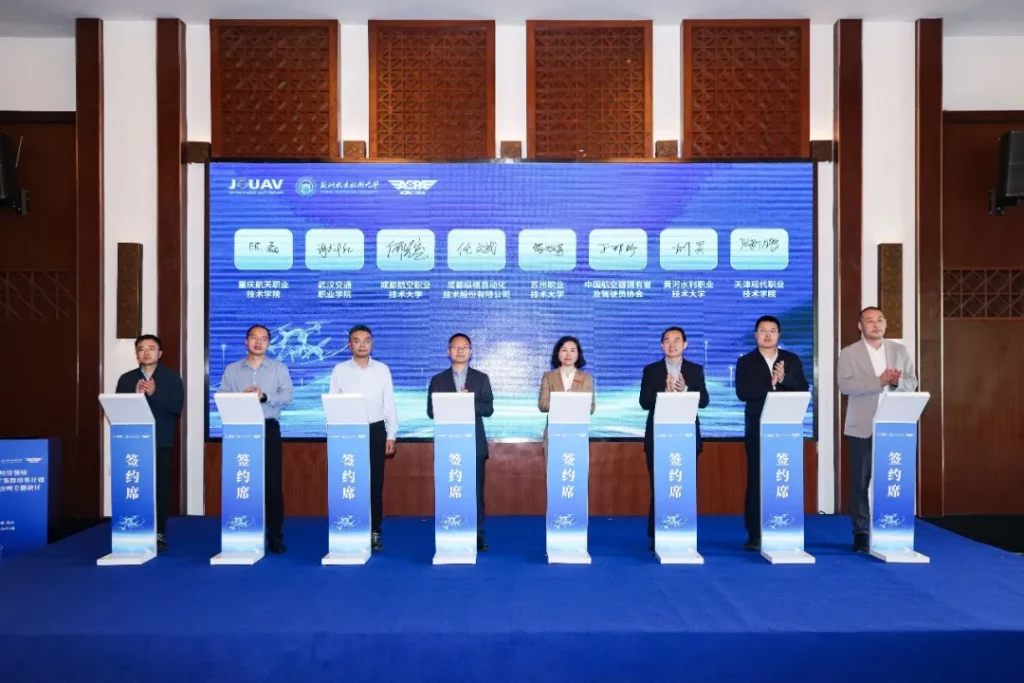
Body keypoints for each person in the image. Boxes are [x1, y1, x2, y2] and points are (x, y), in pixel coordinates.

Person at [837, 306, 918, 552]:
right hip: (862, 425)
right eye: (870, 321)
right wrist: (879, 381)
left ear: (885, 324)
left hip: (894, 425)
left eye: (880, 320)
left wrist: (895, 382)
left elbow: (912, 382)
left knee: (891, 477)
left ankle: (890, 527)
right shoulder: (849, 353)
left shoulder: (899, 351)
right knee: (860, 482)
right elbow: (846, 386)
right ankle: (861, 532)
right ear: (860, 326)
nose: (876, 325)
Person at [735, 315, 809, 551]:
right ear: (755, 335)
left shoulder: (791, 360)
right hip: (757, 428)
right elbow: (743, 393)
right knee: (757, 479)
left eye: (772, 330)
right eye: (763, 330)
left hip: (786, 428)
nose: (767, 335)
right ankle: (755, 533)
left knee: (784, 476)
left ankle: (785, 528)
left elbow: (802, 388)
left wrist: (783, 379)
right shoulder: (746, 362)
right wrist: (771, 383)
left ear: (779, 335)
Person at [218, 324, 294, 553]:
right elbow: (221, 395)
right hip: (239, 429)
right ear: (246, 341)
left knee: (272, 484)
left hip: (267, 427)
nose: (258, 342)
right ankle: (242, 531)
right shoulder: (232, 369)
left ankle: (275, 535)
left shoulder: (278, 368)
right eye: (254, 337)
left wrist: (264, 396)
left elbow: (288, 397)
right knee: (242, 481)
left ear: (269, 343)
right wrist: (240, 398)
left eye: (263, 339)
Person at [639, 326, 709, 550]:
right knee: (660, 484)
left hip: (686, 437)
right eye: (667, 341)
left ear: (685, 344)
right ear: (662, 345)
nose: (672, 344)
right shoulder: (651, 370)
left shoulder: (695, 370)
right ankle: (658, 533)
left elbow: (704, 401)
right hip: (658, 437)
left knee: (683, 485)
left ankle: (684, 530)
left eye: (677, 340)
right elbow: (644, 402)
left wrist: (686, 390)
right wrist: (665, 394)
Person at [329, 324, 397, 552]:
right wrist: (333, 433)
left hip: (375, 430)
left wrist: (391, 434)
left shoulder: (382, 370)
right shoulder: (339, 370)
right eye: (357, 341)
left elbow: (389, 404)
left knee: (374, 483)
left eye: (366, 340)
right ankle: (349, 528)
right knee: (349, 481)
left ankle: (374, 530)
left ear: (372, 344)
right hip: (347, 431)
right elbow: (332, 404)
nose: (362, 345)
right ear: (350, 345)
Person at [114, 334, 184, 552]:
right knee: (134, 486)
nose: (146, 352)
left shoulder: (171, 378)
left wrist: (154, 394)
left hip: (160, 440)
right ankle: (132, 529)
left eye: (151, 348)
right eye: (141, 349)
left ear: (160, 354)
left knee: (160, 488)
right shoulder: (126, 379)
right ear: (137, 354)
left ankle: (159, 533)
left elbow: (176, 408)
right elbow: (118, 410)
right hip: (132, 443)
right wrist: (136, 397)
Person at [427, 333, 495, 551]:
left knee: (475, 490)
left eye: (464, 347)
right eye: (455, 347)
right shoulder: (438, 380)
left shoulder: (481, 378)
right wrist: (453, 403)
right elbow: (431, 411)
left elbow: (488, 409)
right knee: (449, 488)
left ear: (471, 352)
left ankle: (477, 534)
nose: (460, 351)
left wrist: (467, 402)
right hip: (448, 444)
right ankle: (450, 529)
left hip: (474, 443)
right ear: (448, 352)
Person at [538, 335, 596, 457]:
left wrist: (573, 403)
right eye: (564, 350)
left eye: (572, 350)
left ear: (578, 354)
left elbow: (591, 408)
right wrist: (562, 402)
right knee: (554, 468)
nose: (568, 354)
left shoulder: (586, 378)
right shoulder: (548, 376)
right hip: (554, 432)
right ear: (558, 353)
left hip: (578, 432)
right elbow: (542, 405)